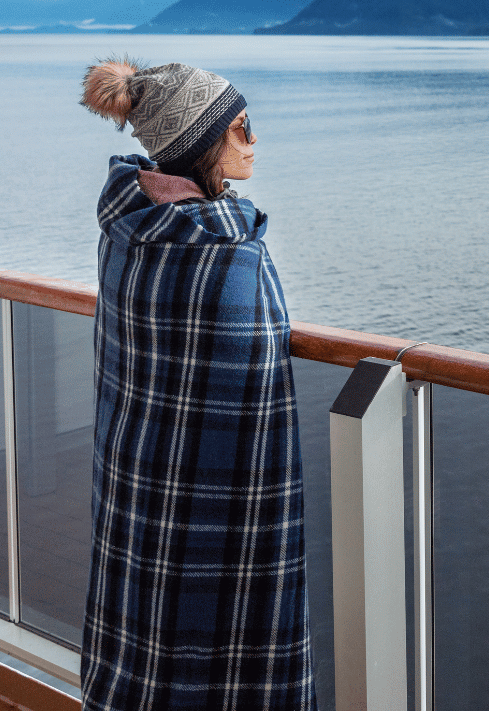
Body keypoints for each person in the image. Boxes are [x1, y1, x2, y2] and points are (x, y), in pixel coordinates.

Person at [79, 57, 316, 711]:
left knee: (144, 636)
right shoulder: (223, 257)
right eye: (243, 127)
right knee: (227, 648)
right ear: (203, 140)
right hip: (217, 507)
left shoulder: (129, 229)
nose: (254, 140)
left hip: (139, 483)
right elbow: (256, 370)